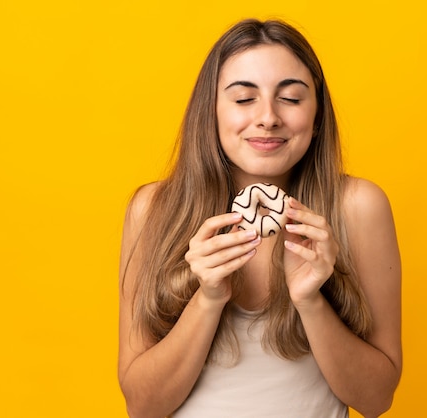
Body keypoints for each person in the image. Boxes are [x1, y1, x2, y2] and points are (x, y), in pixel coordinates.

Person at [118, 18, 402, 418]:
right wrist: (208, 298)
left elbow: (375, 400)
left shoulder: (357, 207)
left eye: (290, 98)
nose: (268, 117)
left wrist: (310, 300)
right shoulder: (154, 210)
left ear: (318, 115)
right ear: (211, 112)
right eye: (243, 98)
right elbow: (142, 407)